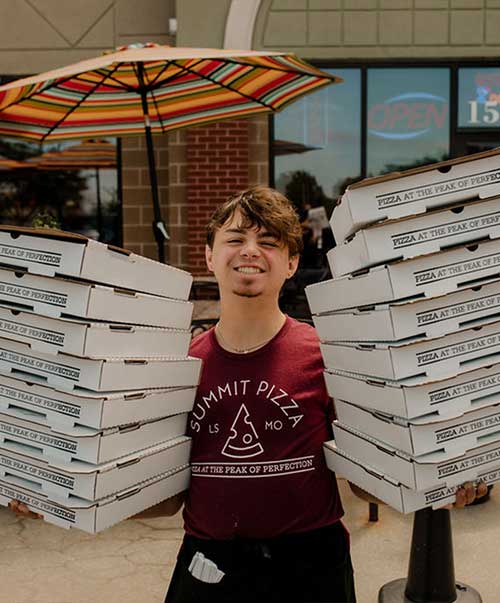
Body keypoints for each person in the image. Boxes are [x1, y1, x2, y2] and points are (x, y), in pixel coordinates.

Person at [8, 186, 488, 603]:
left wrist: (441, 484)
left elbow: (367, 482)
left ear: (292, 263)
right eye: (235, 238)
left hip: (312, 564)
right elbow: (161, 500)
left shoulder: (333, 356)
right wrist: (57, 495)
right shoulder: (171, 368)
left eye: (269, 242)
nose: (250, 250)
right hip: (209, 565)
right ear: (209, 256)